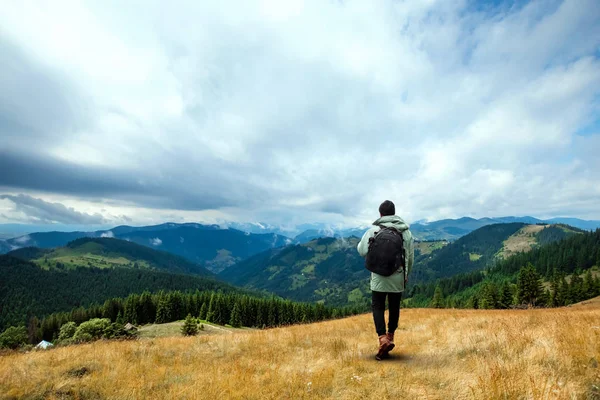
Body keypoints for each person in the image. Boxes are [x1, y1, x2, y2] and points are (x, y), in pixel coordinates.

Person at [357, 200, 414, 360]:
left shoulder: (373, 230)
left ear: (380, 214)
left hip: (378, 277)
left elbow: (362, 251)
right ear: (394, 213)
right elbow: (409, 257)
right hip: (398, 275)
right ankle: (390, 336)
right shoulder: (406, 233)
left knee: (378, 306)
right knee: (394, 307)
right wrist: (406, 275)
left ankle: (382, 338)